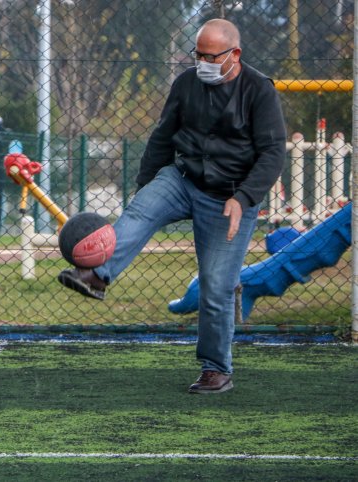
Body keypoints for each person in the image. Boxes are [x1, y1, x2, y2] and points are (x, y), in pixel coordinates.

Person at [58, 19, 286, 394]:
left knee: (216, 285)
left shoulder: (259, 91)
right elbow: (162, 135)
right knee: (140, 212)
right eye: (199, 55)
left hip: (230, 197)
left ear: (235, 54)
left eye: (212, 56)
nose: (204, 63)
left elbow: (273, 153)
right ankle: (97, 275)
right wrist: (146, 187)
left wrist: (243, 198)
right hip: (182, 179)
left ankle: (216, 369)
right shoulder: (186, 84)